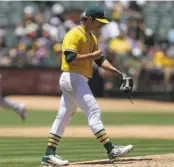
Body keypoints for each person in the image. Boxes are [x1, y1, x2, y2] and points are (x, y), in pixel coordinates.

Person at [41, 5, 134, 166]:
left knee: (63, 115)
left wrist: (118, 73)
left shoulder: (91, 37)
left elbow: (100, 60)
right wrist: (92, 55)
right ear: (89, 19)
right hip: (72, 77)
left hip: (77, 79)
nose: (101, 25)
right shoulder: (74, 34)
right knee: (93, 110)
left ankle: (49, 154)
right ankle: (111, 149)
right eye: (99, 22)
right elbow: (70, 57)